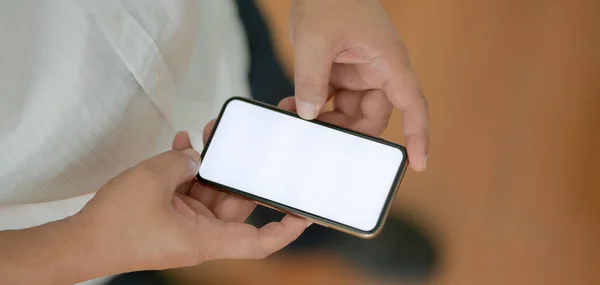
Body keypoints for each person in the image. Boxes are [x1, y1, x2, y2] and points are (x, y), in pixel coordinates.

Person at [0, 0, 429, 284]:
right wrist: (85, 246)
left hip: (209, 40)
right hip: (64, 235)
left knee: (294, 142)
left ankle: (326, 235)